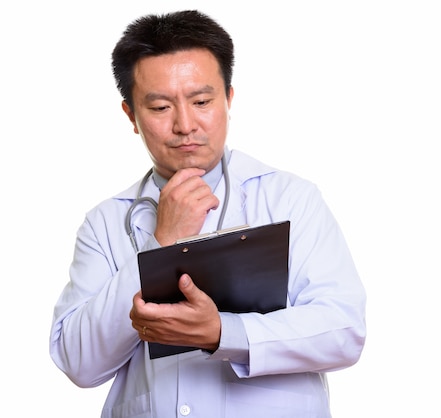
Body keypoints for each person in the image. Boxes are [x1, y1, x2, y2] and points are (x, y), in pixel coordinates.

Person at [48, 9, 366, 418]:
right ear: (131, 115)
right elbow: (78, 362)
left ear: (229, 99)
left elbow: (343, 330)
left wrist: (222, 332)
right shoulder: (105, 223)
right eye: (161, 107)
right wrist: (161, 241)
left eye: (201, 101)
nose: (185, 124)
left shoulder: (290, 198)